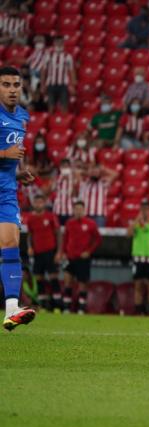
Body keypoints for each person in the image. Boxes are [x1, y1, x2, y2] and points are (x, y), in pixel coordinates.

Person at [0, 66, 36, 331]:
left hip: (7, 191)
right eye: (6, 85)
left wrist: (19, 172)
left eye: (16, 85)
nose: (12, 90)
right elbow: (7, 152)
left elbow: (12, 156)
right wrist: (4, 154)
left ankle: (12, 308)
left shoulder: (21, 117)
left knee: (12, 243)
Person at [58, 200, 101, 314]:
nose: (78, 211)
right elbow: (65, 239)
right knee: (67, 280)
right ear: (73, 210)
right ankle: (66, 307)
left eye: (80, 209)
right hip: (70, 257)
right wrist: (63, 252)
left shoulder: (90, 223)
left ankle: (81, 308)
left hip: (82, 259)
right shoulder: (69, 223)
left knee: (82, 283)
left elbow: (97, 240)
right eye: (76, 209)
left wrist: (89, 251)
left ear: (84, 210)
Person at [25, 194, 62, 311]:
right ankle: (44, 305)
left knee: (53, 278)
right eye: (36, 202)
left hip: (50, 252)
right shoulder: (30, 218)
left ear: (44, 203)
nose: (38, 204)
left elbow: (58, 234)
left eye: (40, 202)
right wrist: (29, 247)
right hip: (37, 253)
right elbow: (29, 235)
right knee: (39, 278)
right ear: (33, 204)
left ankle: (57, 306)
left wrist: (59, 252)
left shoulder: (50, 216)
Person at [128, 199, 149, 316]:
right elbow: (129, 233)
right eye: (143, 209)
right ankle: (138, 311)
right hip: (138, 258)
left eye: (147, 209)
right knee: (138, 285)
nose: (145, 212)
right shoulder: (136, 224)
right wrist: (137, 220)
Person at [40, 36, 76, 114]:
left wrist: (73, 85)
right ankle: (49, 125)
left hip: (63, 85)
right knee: (51, 107)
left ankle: (65, 124)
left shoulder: (68, 56)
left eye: (60, 42)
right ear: (54, 43)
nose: (59, 44)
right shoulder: (48, 55)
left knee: (64, 106)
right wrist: (42, 85)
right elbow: (44, 71)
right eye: (57, 42)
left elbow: (72, 71)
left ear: (63, 43)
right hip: (51, 85)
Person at [79, 163, 117, 228]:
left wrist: (103, 169)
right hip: (85, 215)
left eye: (96, 172)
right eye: (93, 172)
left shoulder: (103, 183)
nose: (94, 173)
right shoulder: (84, 184)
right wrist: (89, 171)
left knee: (98, 237)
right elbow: (78, 173)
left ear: (100, 173)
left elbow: (115, 174)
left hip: (99, 216)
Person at [53, 158, 78, 224]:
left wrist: (72, 182)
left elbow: (76, 193)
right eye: (63, 166)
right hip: (57, 209)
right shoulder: (56, 177)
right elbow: (51, 190)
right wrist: (59, 181)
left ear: (70, 167)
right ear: (60, 167)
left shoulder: (74, 178)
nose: (65, 168)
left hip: (70, 210)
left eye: (67, 166)